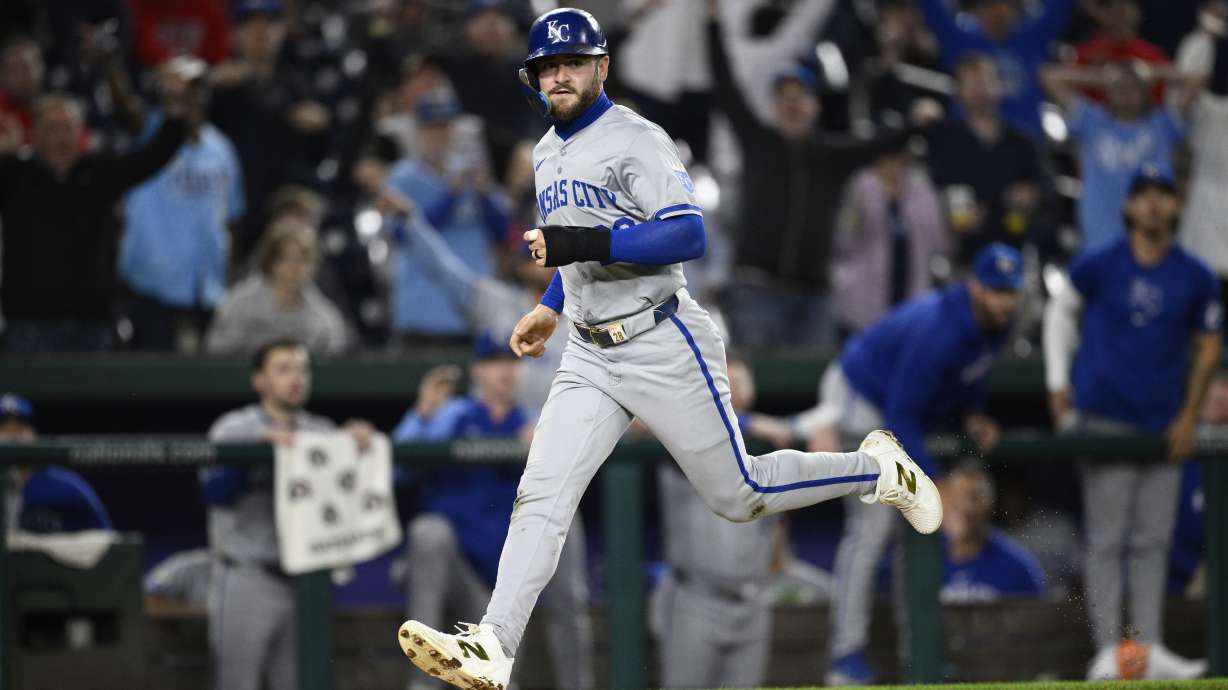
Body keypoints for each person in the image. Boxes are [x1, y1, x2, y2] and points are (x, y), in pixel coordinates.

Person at [395, 10, 943, 690]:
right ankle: (493, 646)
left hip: (660, 335)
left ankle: (879, 471)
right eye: (548, 67)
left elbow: (688, 234)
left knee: (740, 494)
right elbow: (575, 243)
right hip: (589, 353)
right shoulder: (544, 153)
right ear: (533, 79)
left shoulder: (637, 137)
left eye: (573, 63)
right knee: (541, 494)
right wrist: (550, 306)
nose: (560, 76)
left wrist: (583, 246)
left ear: (601, 68)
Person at [797, 243, 1022, 686]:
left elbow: (967, 374)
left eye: (1011, 291)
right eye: (996, 290)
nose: (1004, 301)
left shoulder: (995, 322)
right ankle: (845, 657)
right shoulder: (939, 328)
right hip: (860, 396)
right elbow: (901, 412)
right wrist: (934, 482)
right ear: (975, 286)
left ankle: (919, 655)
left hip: (899, 407)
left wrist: (974, 413)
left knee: (914, 531)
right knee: (871, 529)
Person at [1043, 167, 1220, 680]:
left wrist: (1188, 416)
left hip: (1162, 425)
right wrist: (1057, 382)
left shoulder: (1195, 274)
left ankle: (1146, 648)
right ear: (1128, 208)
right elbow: (1060, 310)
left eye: (1162, 195)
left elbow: (1209, 347)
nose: (1153, 205)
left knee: (1152, 540)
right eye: (1143, 196)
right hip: (1106, 417)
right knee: (1108, 538)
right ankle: (1107, 651)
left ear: (1175, 206)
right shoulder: (1101, 262)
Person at [393, 338, 593, 690]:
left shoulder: (536, 421)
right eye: (494, 361)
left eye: (512, 361)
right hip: (461, 572)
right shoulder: (452, 415)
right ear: (477, 370)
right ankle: (421, 685)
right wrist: (422, 414)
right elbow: (398, 470)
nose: (505, 370)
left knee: (565, 523)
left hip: (506, 586)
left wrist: (547, 447)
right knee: (429, 531)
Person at [707, 6, 911, 349]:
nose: (793, 104)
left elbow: (884, 142)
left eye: (800, 97)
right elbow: (725, 83)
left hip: (814, 299)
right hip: (756, 291)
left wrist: (918, 121)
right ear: (774, 106)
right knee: (754, 380)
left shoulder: (832, 155)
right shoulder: (757, 140)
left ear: (815, 107)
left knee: (815, 381)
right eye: (784, 98)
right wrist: (712, 23)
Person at [203, 339, 373, 690]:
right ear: (259, 380)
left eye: (302, 369)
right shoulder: (234, 428)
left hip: (306, 581)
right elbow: (214, 493)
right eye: (283, 370)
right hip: (248, 573)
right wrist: (255, 454)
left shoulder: (322, 431)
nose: (296, 378)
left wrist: (355, 446)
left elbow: (351, 501)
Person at [0, 81, 189, 352]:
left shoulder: (100, 173)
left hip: (91, 326)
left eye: (67, 129)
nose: (61, 139)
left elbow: (152, 157)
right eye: (51, 129)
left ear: (81, 133)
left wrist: (176, 112)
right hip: (27, 325)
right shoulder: (13, 175)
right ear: (35, 133)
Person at [651, 355, 791, 690]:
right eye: (727, 382)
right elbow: (681, 420)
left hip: (753, 602)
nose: (735, 391)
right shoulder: (687, 434)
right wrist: (750, 423)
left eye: (741, 383)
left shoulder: (765, 446)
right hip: (697, 599)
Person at [110, 55, 244, 351]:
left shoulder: (222, 148)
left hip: (208, 289)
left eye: (195, 90)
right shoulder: (148, 132)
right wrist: (110, 63)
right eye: (178, 91)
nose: (187, 99)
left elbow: (232, 220)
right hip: (150, 288)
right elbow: (124, 107)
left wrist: (230, 281)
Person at [208, 0, 330, 264]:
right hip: (235, 212)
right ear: (235, 34)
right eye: (251, 26)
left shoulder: (298, 86)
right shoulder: (221, 87)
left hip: (283, 216)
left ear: (282, 31)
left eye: (269, 25)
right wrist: (210, 88)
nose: (261, 32)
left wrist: (321, 128)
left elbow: (319, 154)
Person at [384, 88, 509, 346]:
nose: (440, 135)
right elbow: (402, 233)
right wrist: (451, 194)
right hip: (422, 313)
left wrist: (484, 194)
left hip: (474, 312)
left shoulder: (473, 173)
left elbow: (505, 232)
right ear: (419, 132)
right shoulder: (403, 177)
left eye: (445, 127)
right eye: (432, 128)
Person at [1040, 60, 1201, 254]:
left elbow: (1196, 80)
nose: (1125, 93)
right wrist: (1103, 78)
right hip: (1099, 237)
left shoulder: (1162, 125)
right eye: (1119, 88)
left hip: (1149, 239)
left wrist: (1150, 74)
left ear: (1145, 92)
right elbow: (1050, 77)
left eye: (1133, 88)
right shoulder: (1091, 121)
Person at [923, 53, 1045, 264]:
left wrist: (1033, 195)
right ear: (958, 92)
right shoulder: (942, 140)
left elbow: (1047, 191)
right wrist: (948, 216)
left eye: (985, 80)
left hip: (1014, 259)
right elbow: (926, 195)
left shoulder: (1023, 143)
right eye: (971, 82)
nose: (979, 89)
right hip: (959, 260)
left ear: (1000, 86)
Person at [831, 146, 949, 337]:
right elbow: (843, 242)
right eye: (889, 158)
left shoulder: (922, 189)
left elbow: (940, 243)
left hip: (911, 295)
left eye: (900, 159)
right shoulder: (860, 185)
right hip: (864, 302)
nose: (894, 165)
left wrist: (953, 226)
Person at [916, 0, 1075, 140]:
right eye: (988, 5)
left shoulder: (1032, 37)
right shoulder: (960, 41)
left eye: (1004, 4)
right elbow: (932, 9)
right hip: (969, 146)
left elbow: (1058, 6)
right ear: (978, 10)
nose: (997, 12)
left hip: (1027, 146)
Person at [205, 218, 350, 356]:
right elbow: (216, 350)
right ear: (270, 261)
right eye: (285, 258)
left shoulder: (323, 316)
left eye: (302, 260)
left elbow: (336, 351)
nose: (294, 268)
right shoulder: (239, 305)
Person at [1, 393, 113, 535]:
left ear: (33, 433)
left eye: (20, 427)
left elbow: (107, 537)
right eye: (4, 428)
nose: (13, 436)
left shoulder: (66, 486)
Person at [939, 461, 1046, 603]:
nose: (965, 507)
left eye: (974, 497)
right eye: (955, 497)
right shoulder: (922, 560)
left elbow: (1038, 615)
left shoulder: (1017, 567)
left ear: (990, 503)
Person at [1076, 0, 1170, 103]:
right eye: (1115, 11)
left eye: (1125, 11)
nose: (1121, 18)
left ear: (1137, 14)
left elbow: (1160, 100)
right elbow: (1078, 99)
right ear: (1103, 14)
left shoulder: (1152, 55)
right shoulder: (1086, 53)